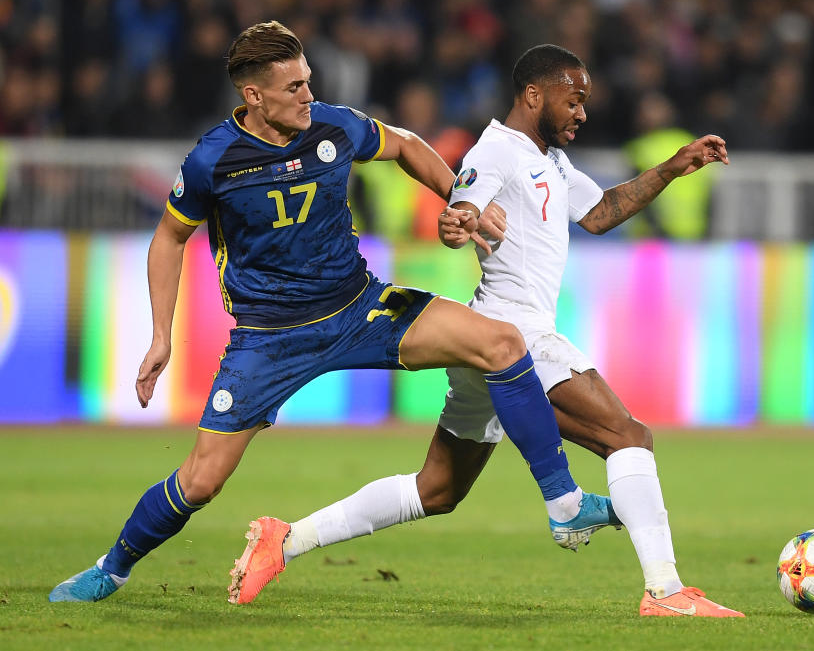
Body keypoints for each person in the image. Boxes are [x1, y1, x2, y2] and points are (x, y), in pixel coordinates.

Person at [48, 23, 616, 604]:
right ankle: (110, 569)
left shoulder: (333, 126)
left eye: (309, 82)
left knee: (502, 343)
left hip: (358, 307)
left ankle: (564, 504)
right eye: (293, 87)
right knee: (201, 480)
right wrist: (159, 337)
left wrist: (461, 201)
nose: (307, 97)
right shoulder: (212, 160)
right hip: (269, 339)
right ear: (253, 96)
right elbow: (168, 239)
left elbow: (405, 145)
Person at [240, 44, 744, 618]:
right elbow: (462, 210)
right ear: (534, 95)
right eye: (573, 100)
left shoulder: (549, 159)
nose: (582, 112)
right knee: (627, 437)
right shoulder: (497, 151)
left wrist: (672, 168)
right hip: (515, 336)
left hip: (488, 344)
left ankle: (286, 540)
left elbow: (601, 211)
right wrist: (460, 221)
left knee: (437, 490)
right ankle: (665, 590)